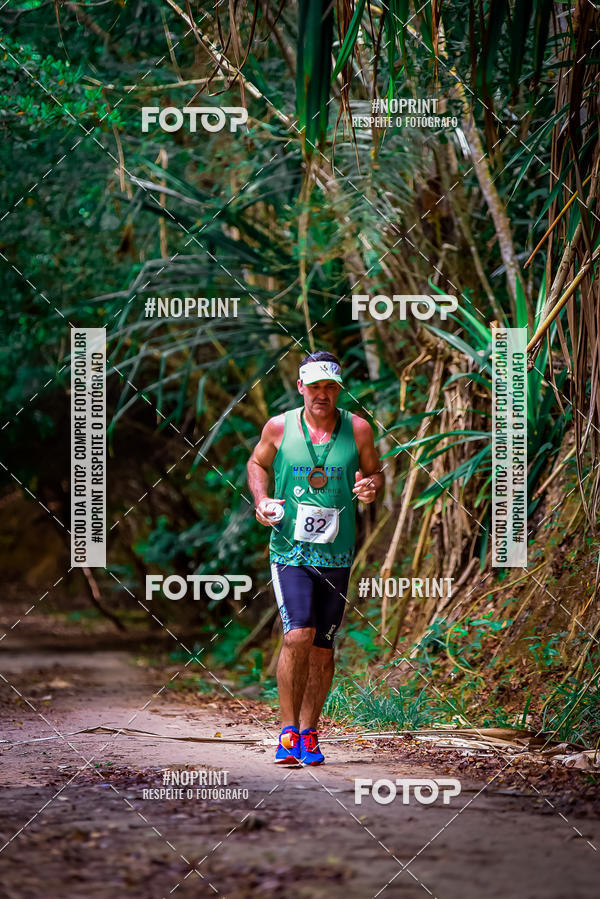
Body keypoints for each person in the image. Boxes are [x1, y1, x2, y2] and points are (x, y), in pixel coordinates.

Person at [247, 351, 383, 765]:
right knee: (297, 635)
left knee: (323, 647)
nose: (322, 394)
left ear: (338, 389)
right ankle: (287, 732)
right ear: (301, 386)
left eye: (330, 387)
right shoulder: (279, 427)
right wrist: (262, 499)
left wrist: (370, 488)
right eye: (315, 386)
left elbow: (375, 472)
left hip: (337, 553)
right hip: (289, 549)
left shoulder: (358, 428)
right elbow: (256, 463)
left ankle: (310, 732)